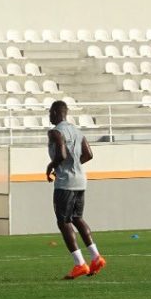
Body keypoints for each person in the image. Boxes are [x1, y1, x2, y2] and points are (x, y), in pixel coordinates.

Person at [45, 100, 106, 279]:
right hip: (81, 180)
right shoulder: (77, 131)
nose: (49, 115)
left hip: (65, 182)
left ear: (56, 112)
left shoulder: (55, 132)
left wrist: (51, 166)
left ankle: (80, 264)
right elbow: (88, 154)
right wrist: (75, 165)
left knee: (63, 222)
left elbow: (61, 154)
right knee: (77, 218)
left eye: (50, 112)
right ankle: (96, 257)